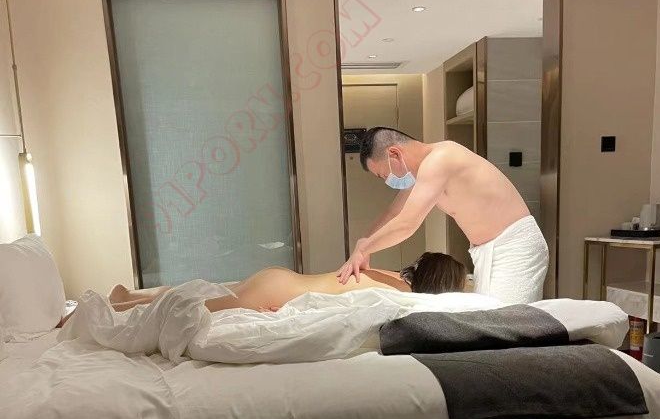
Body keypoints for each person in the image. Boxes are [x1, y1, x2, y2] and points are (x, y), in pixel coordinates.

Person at [337, 127, 549, 304]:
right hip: (487, 250)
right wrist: (362, 244)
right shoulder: (424, 172)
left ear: (395, 154)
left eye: (385, 174)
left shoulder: (440, 159)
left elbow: (407, 223)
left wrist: (364, 248)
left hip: (515, 245)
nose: (387, 181)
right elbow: (394, 213)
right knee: (491, 323)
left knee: (507, 327)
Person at [107, 251, 467, 314]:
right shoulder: (399, 294)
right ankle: (125, 306)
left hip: (280, 279)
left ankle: (136, 295)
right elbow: (342, 306)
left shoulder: (391, 276)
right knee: (202, 306)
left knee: (208, 295)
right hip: (280, 290)